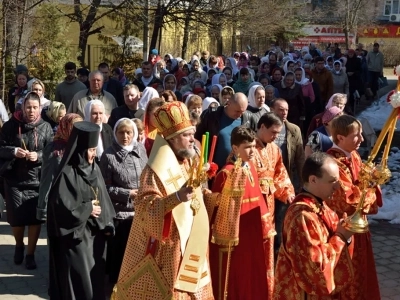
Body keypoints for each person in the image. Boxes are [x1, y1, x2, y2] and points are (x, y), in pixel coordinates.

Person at [115, 101, 213, 299]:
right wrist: (175, 198)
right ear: (173, 139)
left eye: (192, 134)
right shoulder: (154, 171)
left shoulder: (189, 162)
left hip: (191, 241)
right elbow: (145, 209)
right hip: (166, 249)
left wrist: (215, 198)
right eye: (186, 135)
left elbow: (196, 198)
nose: (192, 140)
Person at [47, 121, 116, 300]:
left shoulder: (95, 170)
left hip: (96, 238)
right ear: (80, 150)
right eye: (91, 150)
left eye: (95, 149)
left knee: (96, 283)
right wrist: (88, 208)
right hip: (76, 240)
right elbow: (61, 209)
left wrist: (108, 224)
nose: (94, 154)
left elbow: (105, 201)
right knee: (81, 285)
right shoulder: (67, 174)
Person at [274, 152, 354, 299]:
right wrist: (341, 237)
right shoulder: (302, 216)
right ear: (313, 180)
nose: (337, 187)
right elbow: (316, 270)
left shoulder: (321, 204)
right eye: (332, 181)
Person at [209, 125, 273, 299]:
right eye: (247, 147)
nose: (252, 151)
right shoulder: (226, 174)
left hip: (252, 234)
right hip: (234, 239)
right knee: (236, 277)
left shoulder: (251, 167)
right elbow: (218, 211)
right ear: (235, 148)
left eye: (253, 146)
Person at [326, 115, 381, 299]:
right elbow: (349, 200)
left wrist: (375, 177)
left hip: (359, 228)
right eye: (356, 135)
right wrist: (371, 188)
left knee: (362, 272)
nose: (362, 139)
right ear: (340, 138)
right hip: (343, 228)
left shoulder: (354, 155)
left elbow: (364, 182)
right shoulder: (333, 163)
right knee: (348, 277)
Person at [0, 92, 53, 269]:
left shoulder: (46, 127)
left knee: (35, 219)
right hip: (15, 180)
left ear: (40, 108)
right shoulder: (10, 126)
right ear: (22, 107)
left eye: (35, 107)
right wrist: (13, 151)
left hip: (37, 181)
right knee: (16, 219)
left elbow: (51, 153)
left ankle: (30, 254)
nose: (31, 111)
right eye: (28, 107)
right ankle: (18, 245)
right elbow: (1, 148)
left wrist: (37, 155)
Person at [100, 118, 148, 283]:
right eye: (121, 132)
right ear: (115, 133)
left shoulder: (140, 149)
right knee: (119, 256)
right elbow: (103, 188)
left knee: (139, 254)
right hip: (120, 215)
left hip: (141, 213)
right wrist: (127, 193)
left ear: (134, 133)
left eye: (129, 132)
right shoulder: (108, 155)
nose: (125, 136)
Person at [253, 113, 295, 298]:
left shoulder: (275, 150)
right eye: (272, 132)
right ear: (262, 127)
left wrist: (287, 194)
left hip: (269, 208)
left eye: (278, 133)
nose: (275, 137)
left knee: (268, 246)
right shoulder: (247, 147)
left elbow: (280, 174)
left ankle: (267, 287)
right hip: (251, 207)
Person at [36, 113, 83, 221]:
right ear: (66, 127)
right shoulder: (55, 150)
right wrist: (43, 208)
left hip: (79, 203)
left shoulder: (81, 146)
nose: (78, 132)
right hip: (59, 202)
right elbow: (48, 179)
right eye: (74, 128)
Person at [195, 92, 256, 170]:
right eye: (237, 111)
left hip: (239, 169)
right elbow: (198, 138)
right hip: (213, 168)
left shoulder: (248, 118)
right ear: (229, 103)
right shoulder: (211, 115)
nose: (240, 115)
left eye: (243, 112)